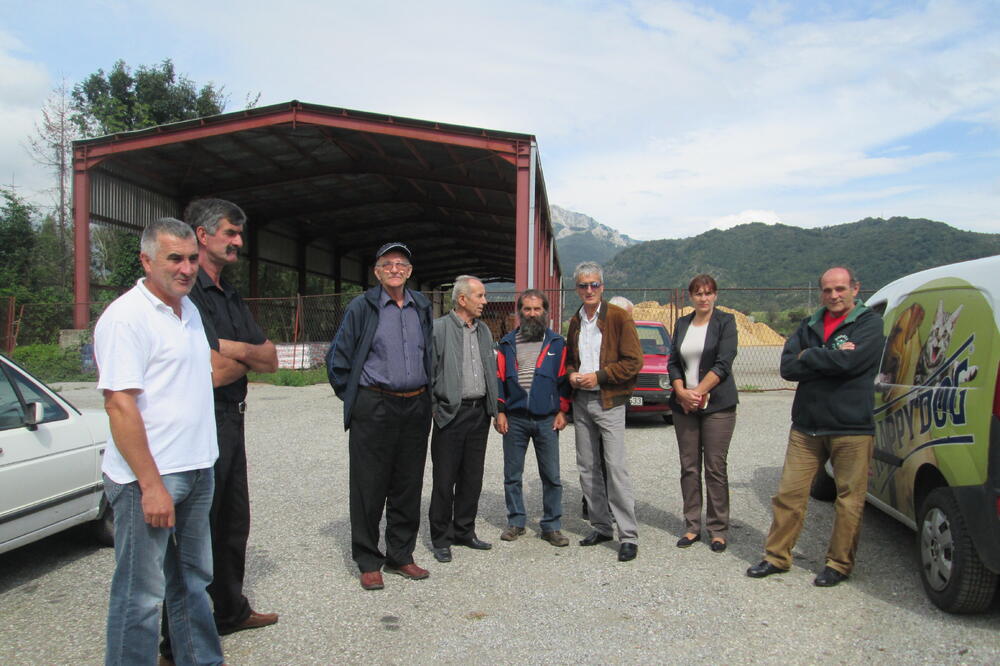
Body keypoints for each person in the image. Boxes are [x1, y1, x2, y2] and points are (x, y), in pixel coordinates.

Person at [95, 217, 225, 665]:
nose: (186, 268)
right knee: (141, 593)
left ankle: (201, 659)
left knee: (193, 579)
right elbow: (120, 406)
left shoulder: (188, 310)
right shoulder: (126, 318)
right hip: (149, 478)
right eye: (175, 259)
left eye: (192, 258)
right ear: (146, 260)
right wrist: (150, 485)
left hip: (196, 468)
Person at [160, 199, 279, 662]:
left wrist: (235, 350)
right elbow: (209, 372)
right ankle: (177, 641)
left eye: (240, 234)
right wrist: (243, 352)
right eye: (230, 233)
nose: (238, 242)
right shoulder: (186, 296)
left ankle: (229, 610)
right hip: (198, 419)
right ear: (202, 235)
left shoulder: (228, 295)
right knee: (196, 530)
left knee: (233, 522)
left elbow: (271, 358)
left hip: (232, 418)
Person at [747, 266, 884, 587]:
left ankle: (838, 564)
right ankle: (776, 557)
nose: (834, 295)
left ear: (855, 288)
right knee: (789, 495)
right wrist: (827, 355)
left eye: (840, 289)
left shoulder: (869, 324)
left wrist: (810, 356)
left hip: (851, 428)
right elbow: (788, 367)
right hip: (807, 427)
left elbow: (853, 363)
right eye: (827, 290)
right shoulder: (809, 324)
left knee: (849, 501)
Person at [326, 242, 434, 591]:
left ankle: (400, 554)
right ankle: (368, 559)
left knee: (407, 483)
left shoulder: (422, 306)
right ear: (376, 272)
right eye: (387, 264)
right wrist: (357, 400)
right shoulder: (363, 306)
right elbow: (337, 359)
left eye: (401, 263)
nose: (394, 269)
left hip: (416, 404)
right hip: (375, 405)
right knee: (369, 484)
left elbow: (428, 351)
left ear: (409, 271)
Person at [566, 262, 643, 562]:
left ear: (603, 287)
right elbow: (571, 359)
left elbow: (633, 361)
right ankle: (600, 526)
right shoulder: (575, 321)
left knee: (615, 468)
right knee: (587, 467)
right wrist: (573, 374)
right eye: (583, 285)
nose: (589, 290)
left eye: (594, 284)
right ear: (577, 288)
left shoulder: (620, 318)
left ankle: (628, 535)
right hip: (581, 402)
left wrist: (598, 376)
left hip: (609, 400)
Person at [428, 275, 499, 563]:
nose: (485, 301)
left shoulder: (483, 331)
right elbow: (428, 373)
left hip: (478, 414)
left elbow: (490, 371)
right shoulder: (439, 329)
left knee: (472, 478)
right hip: (450, 415)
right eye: (480, 296)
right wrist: (436, 408)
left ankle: (464, 531)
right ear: (462, 299)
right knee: (444, 479)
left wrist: (494, 409)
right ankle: (441, 538)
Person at [495, 289, 571, 547]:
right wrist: (501, 411)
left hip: (547, 419)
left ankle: (551, 525)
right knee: (512, 475)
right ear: (519, 313)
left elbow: (563, 380)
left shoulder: (557, 343)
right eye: (527, 309)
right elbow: (499, 379)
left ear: (545, 312)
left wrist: (563, 410)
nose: (532, 313)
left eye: (537, 309)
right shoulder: (506, 343)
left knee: (551, 475)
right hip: (514, 419)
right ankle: (516, 521)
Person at [668, 275, 739, 553]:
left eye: (708, 293)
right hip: (684, 405)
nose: (704, 298)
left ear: (716, 295)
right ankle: (692, 526)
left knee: (715, 468)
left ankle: (718, 529)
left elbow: (724, 361)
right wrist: (681, 392)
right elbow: (673, 362)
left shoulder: (725, 323)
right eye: (698, 293)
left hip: (717, 405)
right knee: (689, 467)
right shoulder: (682, 323)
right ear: (691, 297)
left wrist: (697, 391)